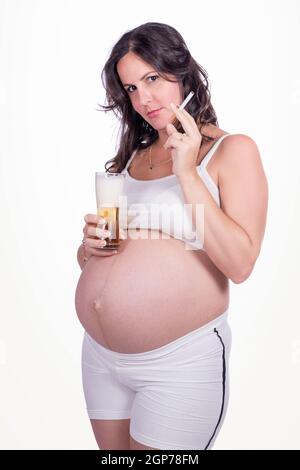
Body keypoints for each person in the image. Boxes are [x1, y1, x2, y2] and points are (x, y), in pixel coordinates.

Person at [75, 22, 268, 450]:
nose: (143, 99)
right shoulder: (134, 157)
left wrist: (186, 172)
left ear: (181, 71)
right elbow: (112, 257)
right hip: (103, 360)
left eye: (152, 79)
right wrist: (87, 249)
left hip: (179, 361)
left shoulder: (231, 151)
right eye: (130, 88)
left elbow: (240, 264)